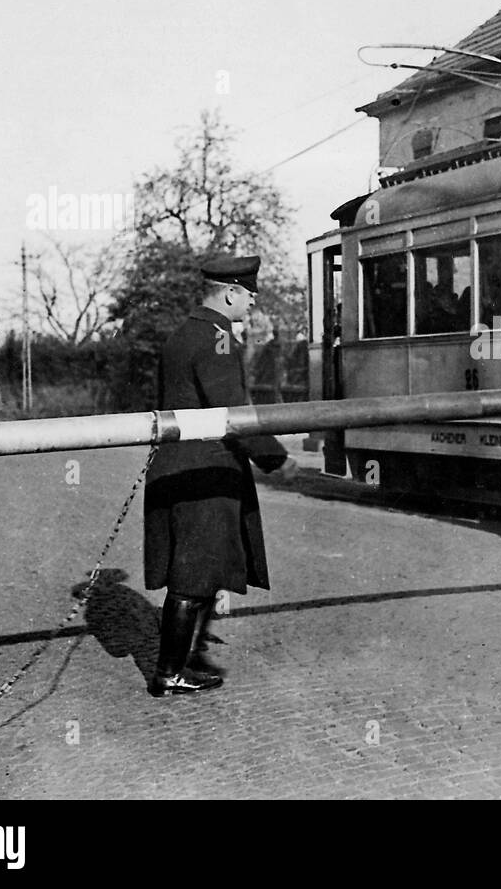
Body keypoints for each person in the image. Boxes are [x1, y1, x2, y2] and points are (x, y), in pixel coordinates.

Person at [142, 254, 298, 696]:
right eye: (249, 295)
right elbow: (233, 414)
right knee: (193, 575)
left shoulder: (181, 334)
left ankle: (185, 658)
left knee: (199, 568)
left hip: (176, 465)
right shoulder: (218, 339)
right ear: (230, 292)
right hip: (205, 472)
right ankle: (170, 671)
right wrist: (275, 458)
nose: (252, 303)